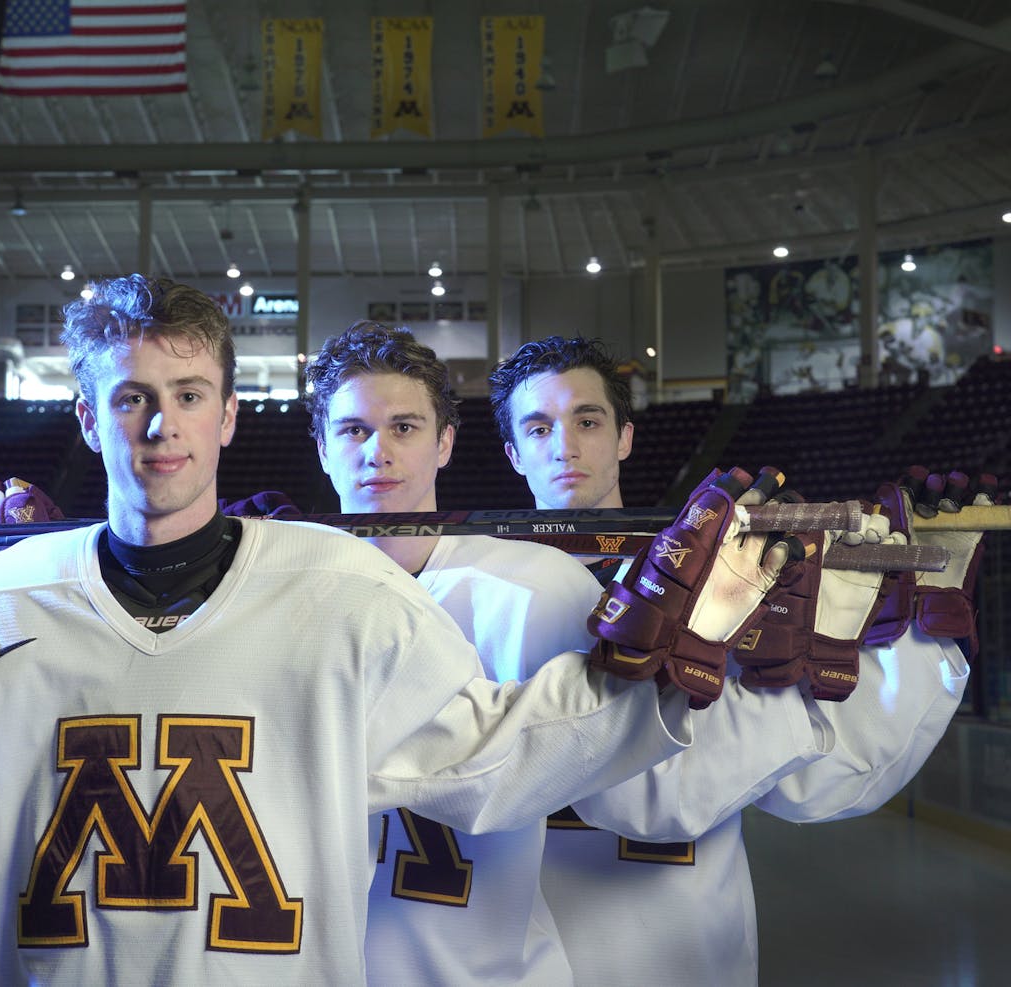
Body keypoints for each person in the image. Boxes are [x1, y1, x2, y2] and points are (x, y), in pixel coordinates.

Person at [0, 276, 739, 985]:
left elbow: (487, 762)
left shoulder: (343, 594)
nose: (160, 424)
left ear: (227, 413)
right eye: (128, 397)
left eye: (187, 393)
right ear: (84, 414)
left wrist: (649, 677)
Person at [303, 322, 854, 985]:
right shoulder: (291, 591)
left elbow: (698, 786)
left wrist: (853, 684)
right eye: (354, 430)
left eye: (404, 427)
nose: (378, 454)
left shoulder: (537, 589)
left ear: (445, 441)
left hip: (650, 934)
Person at [488, 335, 986, 985]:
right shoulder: (473, 589)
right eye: (539, 425)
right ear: (512, 452)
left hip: (692, 949)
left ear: (625, 436)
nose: (566, 444)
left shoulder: (734, 573)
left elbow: (817, 784)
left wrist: (924, 638)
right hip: (520, 953)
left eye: (588, 420)